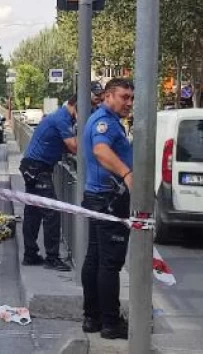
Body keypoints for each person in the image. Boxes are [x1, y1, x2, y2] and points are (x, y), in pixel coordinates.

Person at [80, 78, 134, 340]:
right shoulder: (104, 122)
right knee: (109, 264)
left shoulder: (104, 119)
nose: (129, 103)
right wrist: (126, 173)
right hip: (108, 199)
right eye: (124, 97)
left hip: (98, 197)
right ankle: (111, 323)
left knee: (95, 259)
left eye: (131, 98)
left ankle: (93, 317)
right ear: (109, 96)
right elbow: (101, 150)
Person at [19, 95, 78, 272]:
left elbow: (66, 146)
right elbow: (73, 146)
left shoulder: (60, 116)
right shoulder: (62, 118)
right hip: (38, 168)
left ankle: (30, 255)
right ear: (75, 105)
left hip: (33, 167)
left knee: (34, 212)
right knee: (52, 212)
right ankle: (52, 258)